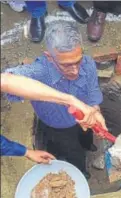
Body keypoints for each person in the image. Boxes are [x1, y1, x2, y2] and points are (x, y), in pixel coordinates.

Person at [3, 21, 107, 179]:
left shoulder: (88, 63)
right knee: (73, 151)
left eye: (77, 61)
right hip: (58, 126)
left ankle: (88, 145)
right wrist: (69, 100)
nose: (75, 70)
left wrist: (96, 110)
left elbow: (92, 91)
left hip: (86, 117)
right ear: (49, 57)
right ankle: (81, 173)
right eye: (66, 65)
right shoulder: (39, 72)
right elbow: (8, 80)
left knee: (86, 137)